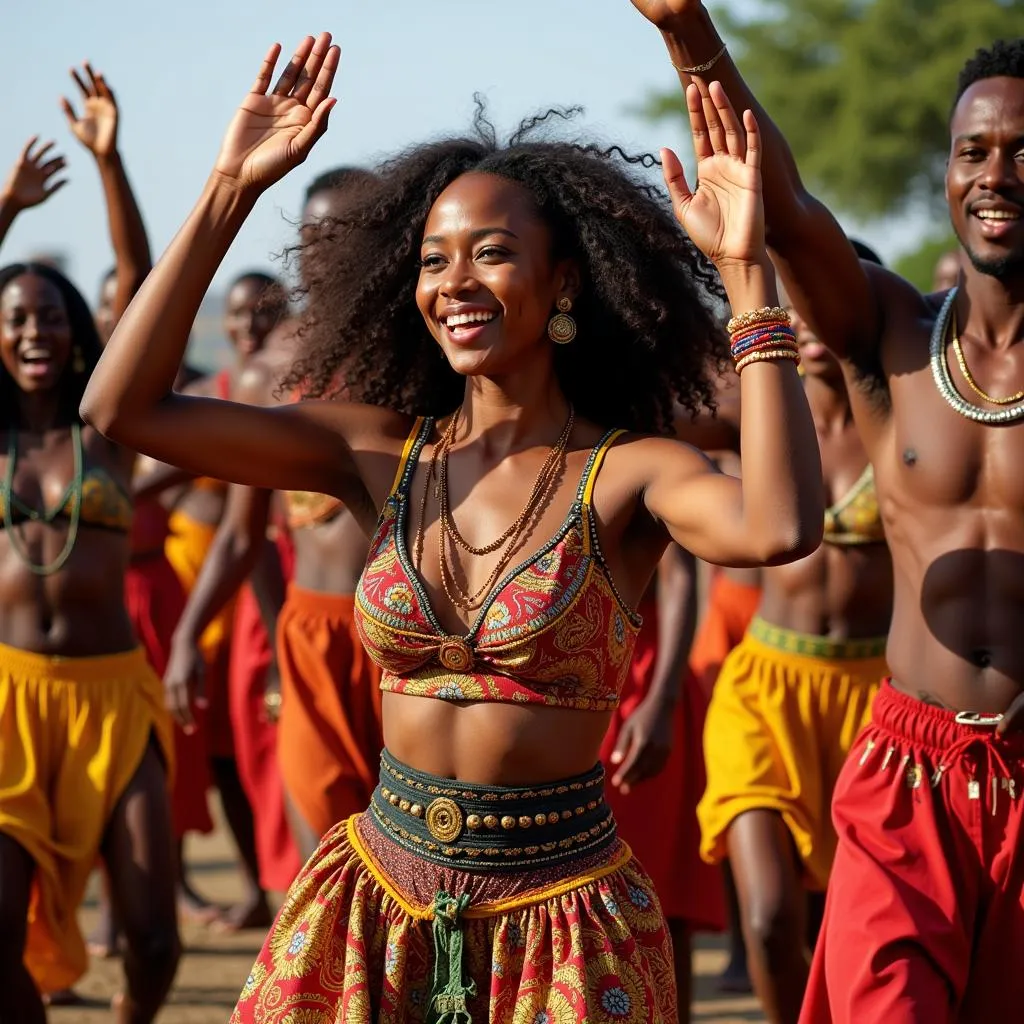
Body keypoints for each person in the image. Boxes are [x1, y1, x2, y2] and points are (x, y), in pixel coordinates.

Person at [81, 32, 824, 1023]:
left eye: (492, 253)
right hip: (374, 902)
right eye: (434, 259)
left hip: (561, 919)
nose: (455, 281)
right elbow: (122, 411)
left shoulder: (629, 472)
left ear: (565, 280)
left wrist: (745, 277)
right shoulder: (374, 452)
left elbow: (777, 524)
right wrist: (229, 188)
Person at [632, 6, 1024, 1020]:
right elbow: (786, 199)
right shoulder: (886, 331)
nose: (996, 174)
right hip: (909, 770)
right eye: (972, 150)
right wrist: (688, 30)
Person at [165, 166, 384, 865]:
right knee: (321, 842)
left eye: (350, 234)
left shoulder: (419, 354)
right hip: (311, 627)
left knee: (417, 847)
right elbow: (242, 533)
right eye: (316, 236)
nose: (330, 253)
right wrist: (188, 638)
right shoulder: (268, 371)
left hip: (405, 626)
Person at [696, 248, 893, 1024]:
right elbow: (635, 409)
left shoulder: (903, 414)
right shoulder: (757, 409)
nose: (808, 320)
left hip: (878, 697)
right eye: (792, 304)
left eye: (824, 302)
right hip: (766, 689)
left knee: (861, 926)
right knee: (772, 919)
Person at [0, 218, 178, 1024]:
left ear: (77, 330)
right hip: (9, 700)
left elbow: (140, 287)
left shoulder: (105, 431)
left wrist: (108, 161)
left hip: (113, 697)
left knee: (152, 939)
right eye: (15, 318)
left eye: (51, 315)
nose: (35, 331)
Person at [600, 543, 725, 1023]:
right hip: (565, 679)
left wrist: (663, 699)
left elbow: (678, 575)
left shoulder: (629, 464)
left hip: (641, 683)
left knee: (657, 900)